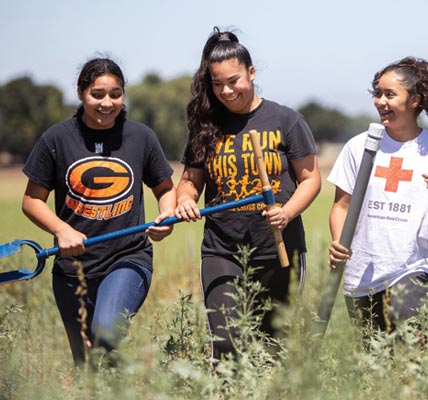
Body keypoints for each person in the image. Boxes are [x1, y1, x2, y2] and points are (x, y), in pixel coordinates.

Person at [175, 27, 321, 360]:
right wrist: (185, 199)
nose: (226, 91)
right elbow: (190, 182)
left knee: (272, 345)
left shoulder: (286, 120)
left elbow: (311, 179)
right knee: (226, 343)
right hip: (222, 248)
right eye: (217, 83)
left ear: (251, 73)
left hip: (278, 248)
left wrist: (286, 212)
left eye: (234, 80)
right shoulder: (206, 125)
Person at [21, 57, 176, 365]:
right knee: (87, 363)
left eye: (115, 94)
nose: (107, 103)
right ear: (80, 94)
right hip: (71, 268)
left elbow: (166, 189)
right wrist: (61, 230)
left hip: (127, 258)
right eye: (98, 94)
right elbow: (31, 201)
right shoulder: (56, 138)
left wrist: (166, 218)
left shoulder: (141, 137)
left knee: (106, 334)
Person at [328, 57, 428, 336]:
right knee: (372, 362)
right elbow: (341, 206)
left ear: (414, 100)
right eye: (377, 93)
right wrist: (339, 244)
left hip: (412, 270)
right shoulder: (359, 147)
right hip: (360, 276)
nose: (380, 101)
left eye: (390, 94)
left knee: (409, 345)